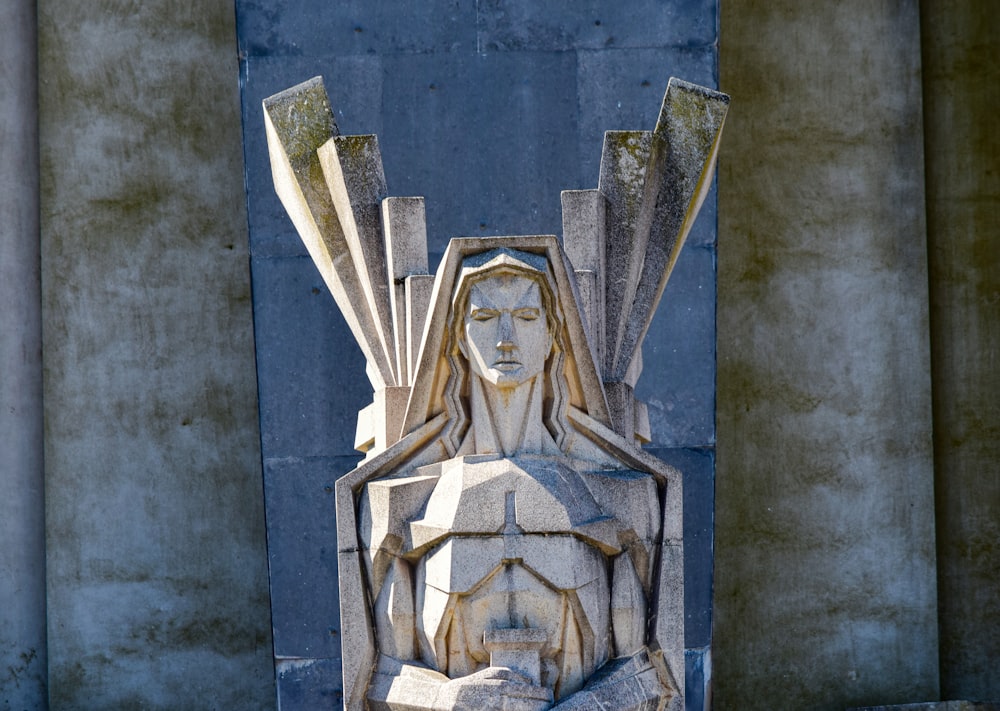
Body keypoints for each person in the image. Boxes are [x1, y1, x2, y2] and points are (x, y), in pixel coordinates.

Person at [343, 244, 679, 711]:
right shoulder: (398, 503)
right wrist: (445, 696)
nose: (505, 337)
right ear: (458, 337)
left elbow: (652, 673)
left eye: (525, 316)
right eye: (483, 319)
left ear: (551, 337)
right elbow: (375, 674)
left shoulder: (622, 498)